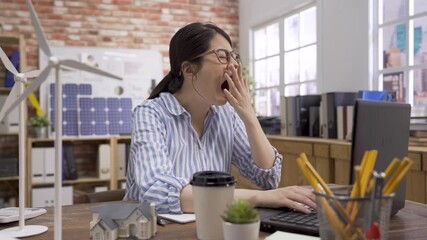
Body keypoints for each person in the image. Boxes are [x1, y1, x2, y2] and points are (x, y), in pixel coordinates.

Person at [125, 22, 316, 214]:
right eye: (223, 57)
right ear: (189, 70)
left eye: (234, 57)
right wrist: (258, 197)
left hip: (212, 226)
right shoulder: (150, 113)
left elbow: (268, 177)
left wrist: (249, 116)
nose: (233, 66)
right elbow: (156, 193)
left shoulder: (227, 116)